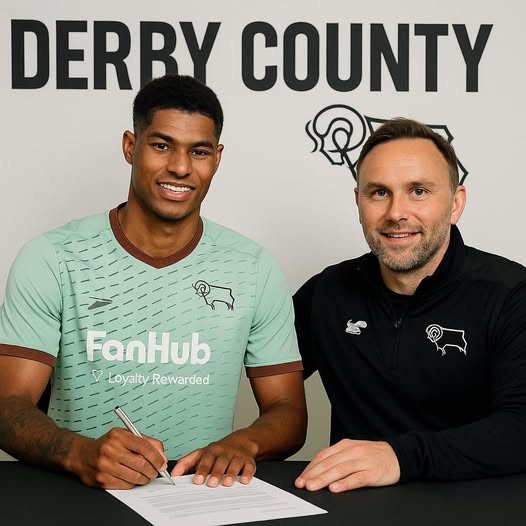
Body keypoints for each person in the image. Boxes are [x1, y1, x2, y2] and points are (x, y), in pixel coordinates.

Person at [0, 74, 307, 489]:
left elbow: (289, 411)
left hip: (199, 497)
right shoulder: (53, 258)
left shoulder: (253, 268)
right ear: (131, 146)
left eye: (199, 151)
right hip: (79, 496)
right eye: (162, 146)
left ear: (217, 158)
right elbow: (8, 404)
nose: (180, 167)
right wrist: (81, 453)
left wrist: (245, 443)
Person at [293, 117, 526, 493]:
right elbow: (260, 378)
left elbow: (520, 427)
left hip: (479, 506)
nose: (396, 213)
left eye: (418, 191)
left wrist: (399, 457)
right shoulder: (327, 293)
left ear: (455, 204)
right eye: (379, 193)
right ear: (358, 202)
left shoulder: (511, 293)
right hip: (352, 508)